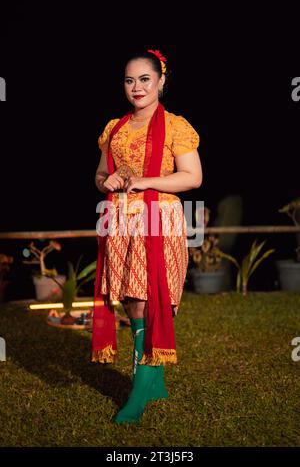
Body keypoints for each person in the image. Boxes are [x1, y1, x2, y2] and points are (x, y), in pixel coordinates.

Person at [92, 49, 202, 424]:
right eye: (129, 80)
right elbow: (100, 174)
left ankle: (140, 389)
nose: (136, 87)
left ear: (161, 81)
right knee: (129, 298)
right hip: (120, 218)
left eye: (144, 79)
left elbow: (191, 177)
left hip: (159, 218)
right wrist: (105, 180)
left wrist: (142, 181)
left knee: (150, 297)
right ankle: (153, 380)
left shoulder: (175, 126)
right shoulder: (115, 127)